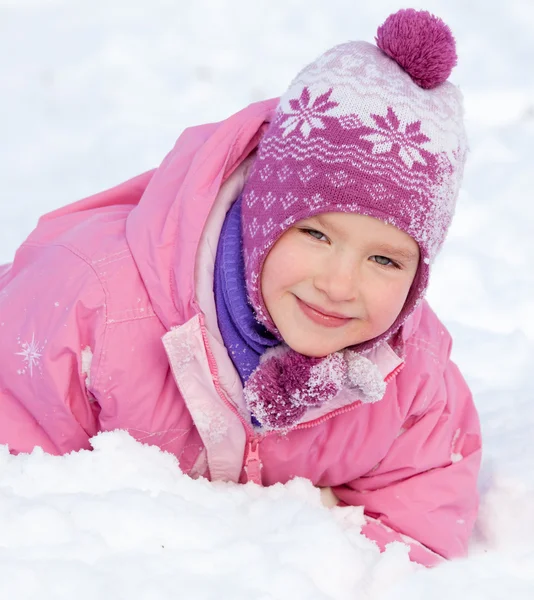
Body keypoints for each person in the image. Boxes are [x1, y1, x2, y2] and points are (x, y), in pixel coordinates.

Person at [0, 9, 481, 566]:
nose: (339, 284)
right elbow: (19, 497)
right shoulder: (91, 308)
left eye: (384, 259)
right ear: (262, 216)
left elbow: (420, 528)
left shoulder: (409, 377)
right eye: (315, 233)